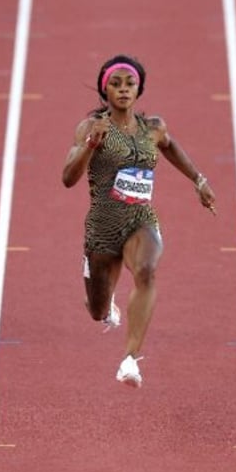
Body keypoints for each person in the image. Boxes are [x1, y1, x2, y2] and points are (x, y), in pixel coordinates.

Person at [62, 55, 216, 387]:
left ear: (139, 89)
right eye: (115, 84)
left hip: (140, 219)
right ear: (105, 90)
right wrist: (91, 145)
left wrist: (199, 180)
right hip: (102, 226)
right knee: (97, 310)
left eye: (129, 84)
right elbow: (68, 178)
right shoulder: (91, 128)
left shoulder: (154, 128)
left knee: (146, 270)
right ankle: (100, 296)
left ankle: (130, 359)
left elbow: (171, 148)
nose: (123, 90)